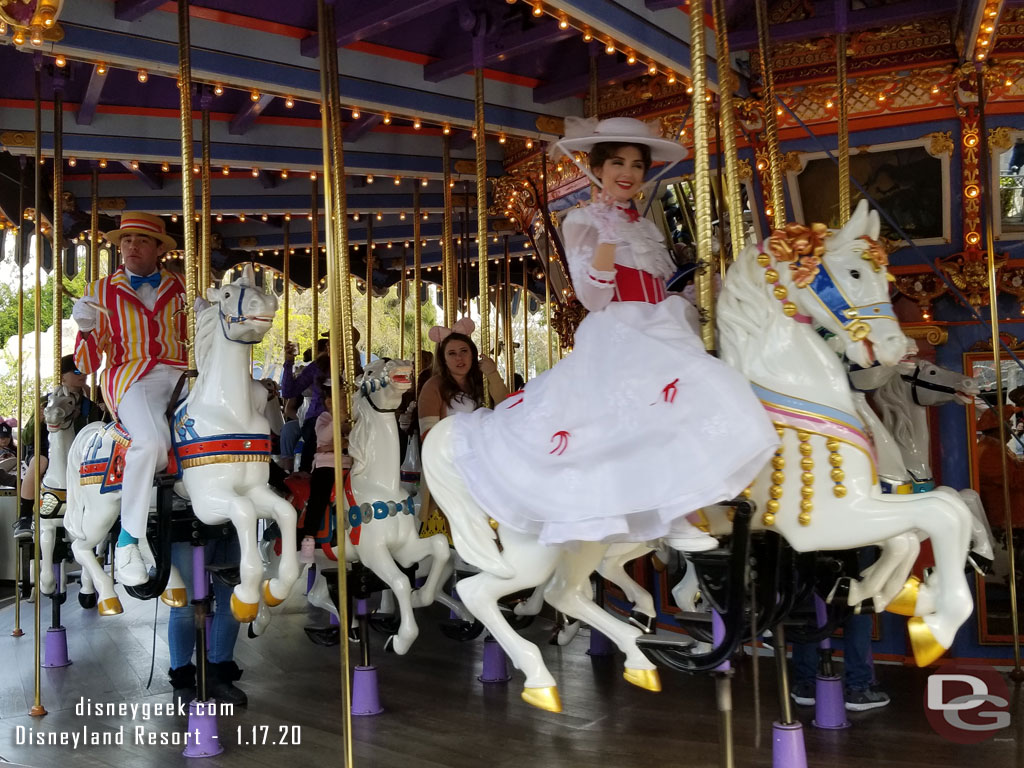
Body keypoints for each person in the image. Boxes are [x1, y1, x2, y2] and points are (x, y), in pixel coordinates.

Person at [442, 117, 778, 549]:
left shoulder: (646, 225)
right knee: (650, 412)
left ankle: (693, 501)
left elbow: (657, 281)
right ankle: (671, 514)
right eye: (617, 162)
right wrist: (604, 239)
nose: (628, 172)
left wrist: (697, 291)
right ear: (598, 168)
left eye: (637, 165)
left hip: (662, 321)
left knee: (709, 388)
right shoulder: (581, 221)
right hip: (620, 328)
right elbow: (593, 297)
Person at [71, 211, 187, 585]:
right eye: (126, 240)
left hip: (182, 372)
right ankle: (128, 540)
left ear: (158, 249)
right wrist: (86, 331)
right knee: (150, 442)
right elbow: (87, 363)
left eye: (141, 240)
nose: (131, 247)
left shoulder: (182, 286)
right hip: (131, 375)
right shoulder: (101, 291)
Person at [12, 354, 106, 538]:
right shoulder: (46, 402)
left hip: (77, 453)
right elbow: (26, 437)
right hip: (46, 449)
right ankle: (24, 516)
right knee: (40, 462)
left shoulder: (90, 406)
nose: (83, 374)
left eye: (84, 371)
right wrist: (37, 421)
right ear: (63, 376)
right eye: (77, 371)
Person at [789, 548, 891, 712]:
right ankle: (858, 689)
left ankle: (805, 686)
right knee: (859, 605)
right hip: (857, 542)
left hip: (815, 540)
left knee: (811, 602)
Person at [167, 538, 247, 707]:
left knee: (233, 601)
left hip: (231, 522)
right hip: (189, 523)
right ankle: (182, 680)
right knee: (185, 603)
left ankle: (218, 676)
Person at [281, 329, 361, 474]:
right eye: (329, 342)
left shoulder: (356, 371)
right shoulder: (318, 366)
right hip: (319, 417)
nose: (329, 345)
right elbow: (289, 391)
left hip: (349, 418)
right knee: (316, 430)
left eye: (334, 342)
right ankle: (305, 472)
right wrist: (289, 362)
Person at [417, 323, 508, 439]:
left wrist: (493, 375)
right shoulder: (434, 386)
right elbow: (429, 436)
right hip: (454, 451)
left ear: (472, 354)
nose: (459, 358)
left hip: (485, 447)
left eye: (464, 351)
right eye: (452, 353)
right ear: (444, 359)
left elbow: (506, 407)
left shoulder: (483, 381)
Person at [297, 378, 351, 560]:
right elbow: (324, 435)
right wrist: (338, 421)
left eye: (340, 398)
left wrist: (336, 445)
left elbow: (357, 441)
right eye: (329, 400)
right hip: (327, 466)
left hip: (350, 464)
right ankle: (309, 537)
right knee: (318, 497)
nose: (332, 403)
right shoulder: (325, 418)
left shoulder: (355, 420)